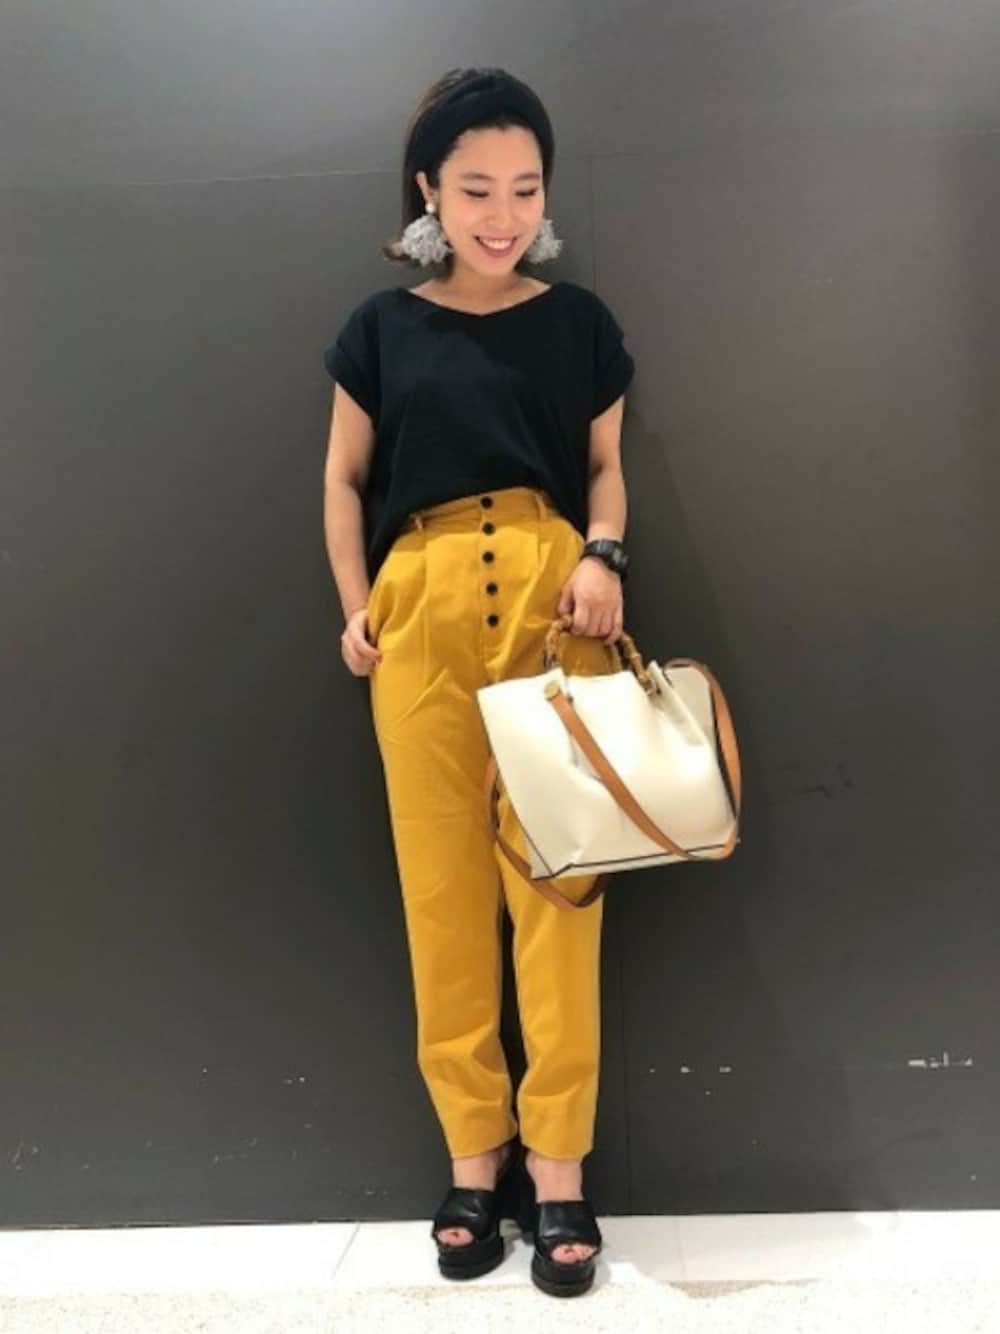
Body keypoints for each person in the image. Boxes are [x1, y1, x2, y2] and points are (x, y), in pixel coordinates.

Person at [321, 66, 635, 1298]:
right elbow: (344, 477)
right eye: (475, 188)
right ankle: (473, 1157)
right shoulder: (380, 328)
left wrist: (605, 554)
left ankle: (558, 1169)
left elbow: (602, 467)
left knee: (561, 894)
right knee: (442, 902)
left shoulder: (581, 323)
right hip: (422, 615)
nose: (501, 214)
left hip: (558, 611)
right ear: (430, 191)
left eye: (523, 187)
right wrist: (356, 603)